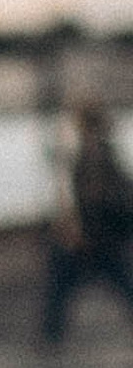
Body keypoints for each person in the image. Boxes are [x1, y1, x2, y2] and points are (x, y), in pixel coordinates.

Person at [39, 106, 133, 345]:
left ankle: (50, 337)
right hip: (100, 237)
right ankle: (50, 336)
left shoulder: (92, 156)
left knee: (62, 285)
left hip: (95, 237)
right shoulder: (99, 153)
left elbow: (91, 198)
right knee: (64, 286)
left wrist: (76, 229)